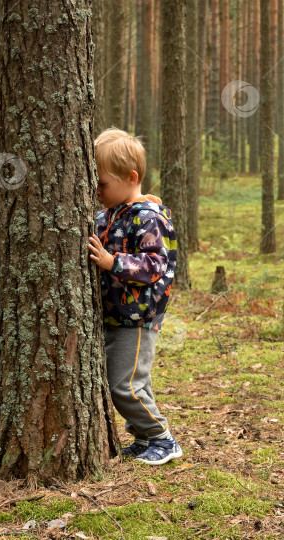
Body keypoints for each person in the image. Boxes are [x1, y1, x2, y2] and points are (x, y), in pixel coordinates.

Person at [87, 127, 183, 466]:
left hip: (138, 316)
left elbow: (155, 264)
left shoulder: (148, 217)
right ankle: (144, 438)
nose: (95, 191)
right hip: (114, 313)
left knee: (124, 384)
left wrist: (113, 263)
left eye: (101, 184)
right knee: (127, 381)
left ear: (130, 178)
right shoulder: (108, 213)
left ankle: (162, 438)